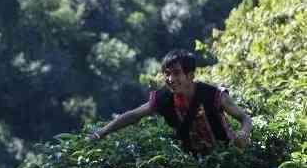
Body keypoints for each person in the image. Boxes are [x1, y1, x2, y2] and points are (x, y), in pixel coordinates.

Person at [88, 49, 252, 154]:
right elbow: (133, 115)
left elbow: (244, 118)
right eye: (167, 74)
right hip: (194, 164)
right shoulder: (164, 98)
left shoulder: (213, 94)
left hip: (227, 155)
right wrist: (101, 132)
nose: (170, 79)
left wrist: (243, 133)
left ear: (190, 75)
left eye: (176, 73)